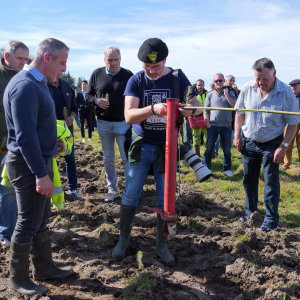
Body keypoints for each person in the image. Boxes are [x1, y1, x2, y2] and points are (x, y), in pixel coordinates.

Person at [112, 38, 202, 266]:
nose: (151, 71)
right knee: (131, 192)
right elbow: (129, 116)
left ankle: (162, 245)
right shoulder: (135, 80)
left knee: (165, 197)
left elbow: (197, 107)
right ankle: (123, 240)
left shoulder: (178, 78)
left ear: (165, 61)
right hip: (142, 146)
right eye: (147, 67)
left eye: (156, 67)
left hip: (168, 148)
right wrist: (152, 108)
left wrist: (186, 110)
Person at [4, 38, 73, 295]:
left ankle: (44, 269)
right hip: (27, 166)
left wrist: (53, 144)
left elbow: (39, 127)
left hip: (40, 160)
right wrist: (41, 174)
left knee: (40, 220)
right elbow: (24, 136)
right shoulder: (25, 86)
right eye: (62, 62)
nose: (64, 69)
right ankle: (18, 279)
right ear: (47, 58)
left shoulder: (39, 84)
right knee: (27, 222)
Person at [234, 58, 300, 232]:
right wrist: (237, 135)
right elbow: (239, 113)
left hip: (272, 143)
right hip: (248, 141)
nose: (260, 82)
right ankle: (251, 213)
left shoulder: (286, 92)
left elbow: (293, 123)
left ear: (274, 73)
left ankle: (271, 220)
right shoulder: (248, 88)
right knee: (249, 179)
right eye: (257, 78)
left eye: (264, 78)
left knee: (271, 181)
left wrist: (283, 145)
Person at [86, 46, 133, 202]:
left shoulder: (128, 75)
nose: (113, 63)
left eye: (116, 60)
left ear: (120, 59)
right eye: (110, 60)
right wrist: (96, 101)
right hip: (103, 124)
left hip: (123, 124)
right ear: (104, 60)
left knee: (126, 158)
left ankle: (130, 189)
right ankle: (112, 189)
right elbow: (88, 95)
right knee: (108, 158)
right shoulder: (96, 74)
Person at [0, 41, 29, 247]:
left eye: (26, 59)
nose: (23, 63)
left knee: (8, 189)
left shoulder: (23, 77)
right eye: (20, 58)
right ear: (7, 56)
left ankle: (6, 232)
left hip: (10, 144)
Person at [48, 75, 83, 201]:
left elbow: (74, 107)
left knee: (70, 158)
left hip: (66, 131)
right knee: (49, 160)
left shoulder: (67, 86)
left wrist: (71, 117)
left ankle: (73, 188)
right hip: (48, 130)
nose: (61, 70)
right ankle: (50, 190)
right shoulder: (43, 85)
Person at [203, 73, 236, 176]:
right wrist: (207, 123)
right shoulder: (210, 94)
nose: (218, 82)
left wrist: (226, 95)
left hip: (226, 126)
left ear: (224, 81)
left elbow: (234, 106)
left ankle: (227, 169)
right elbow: (206, 110)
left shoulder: (230, 93)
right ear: (214, 82)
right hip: (213, 126)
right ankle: (206, 168)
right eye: (216, 81)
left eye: (220, 80)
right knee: (208, 148)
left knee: (227, 149)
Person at [214, 75, 240, 156]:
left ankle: (227, 154)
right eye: (231, 80)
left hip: (234, 118)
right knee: (217, 138)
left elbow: (240, 102)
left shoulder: (235, 91)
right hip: (222, 118)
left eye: (233, 80)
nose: (232, 82)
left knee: (230, 137)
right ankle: (215, 153)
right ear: (226, 81)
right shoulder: (223, 89)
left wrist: (237, 90)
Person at [282, 79, 300, 170]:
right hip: (289, 123)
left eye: (295, 86)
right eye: (292, 86)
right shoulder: (288, 96)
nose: (293, 88)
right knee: (287, 143)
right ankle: (286, 165)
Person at [191, 79, 208, 156]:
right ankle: (197, 155)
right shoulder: (192, 95)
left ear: (204, 85)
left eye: (201, 85)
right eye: (198, 85)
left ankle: (211, 154)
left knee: (209, 137)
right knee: (196, 138)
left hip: (206, 119)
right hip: (195, 119)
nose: (200, 87)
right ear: (196, 85)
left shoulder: (208, 94)